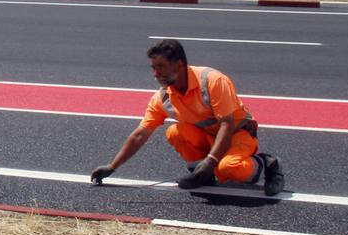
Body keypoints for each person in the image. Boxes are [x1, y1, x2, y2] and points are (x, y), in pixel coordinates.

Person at [90, 38, 284, 194]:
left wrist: (211, 161)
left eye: (161, 67)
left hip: (237, 135)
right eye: (153, 68)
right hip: (210, 137)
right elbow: (141, 134)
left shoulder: (212, 81)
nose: (156, 74)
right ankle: (202, 175)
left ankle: (267, 163)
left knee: (228, 169)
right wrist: (113, 166)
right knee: (175, 132)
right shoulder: (163, 97)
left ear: (179, 65)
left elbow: (226, 125)